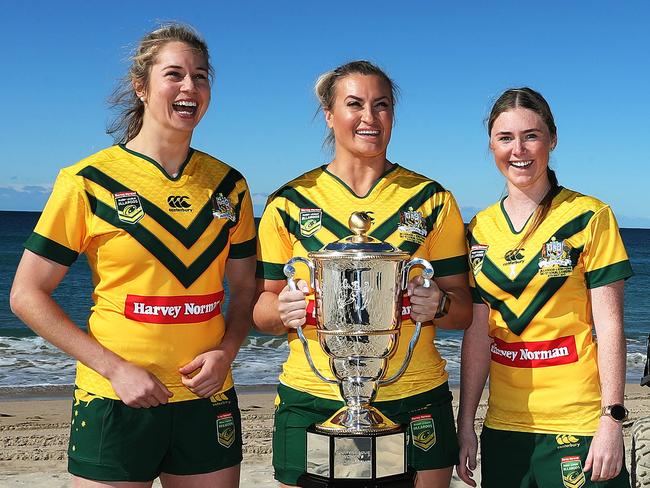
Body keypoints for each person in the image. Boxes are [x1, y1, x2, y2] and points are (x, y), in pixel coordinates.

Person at [10, 23, 256, 487]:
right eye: (174, 74)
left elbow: (245, 290)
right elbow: (26, 295)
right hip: (116, 398)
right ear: (141, 87)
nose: (190, 87)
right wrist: (115, 369)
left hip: (208, 398)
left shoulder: (230, 185)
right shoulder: (88, 180)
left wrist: (226, 352)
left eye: (201, 76)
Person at [253, 60, 472, 488]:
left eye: (382, 105)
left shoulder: (432, 200)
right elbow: (261, 313)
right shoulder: (290, 201)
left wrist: (439, 304)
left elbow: (462, 311)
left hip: (414, 396)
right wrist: (283, 309)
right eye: (354, 104)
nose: (369, 117)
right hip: (312, 398)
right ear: (329, 114)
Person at [456, 87, 633, 488]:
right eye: (505, 138)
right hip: (503, 427)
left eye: (531, 135)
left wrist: (611, 419)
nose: (518, 149)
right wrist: (466, 422)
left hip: (581, 422)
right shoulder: (479, 229)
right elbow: (478, 333)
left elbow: (610, 326)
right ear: (491, 145)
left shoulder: (589, 216)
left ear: (551, 139)